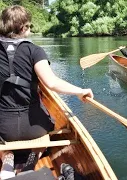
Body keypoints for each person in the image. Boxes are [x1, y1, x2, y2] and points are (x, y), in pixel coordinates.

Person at [0, 5, 93, 179]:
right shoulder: (35, 51)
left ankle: (7, 159)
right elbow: (51, 83)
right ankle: (32, 160)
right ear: (23, 27)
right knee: (48, 125)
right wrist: (80, 91)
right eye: (29, 25)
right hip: (35, 127)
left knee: (4, 139)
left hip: (4, 128)